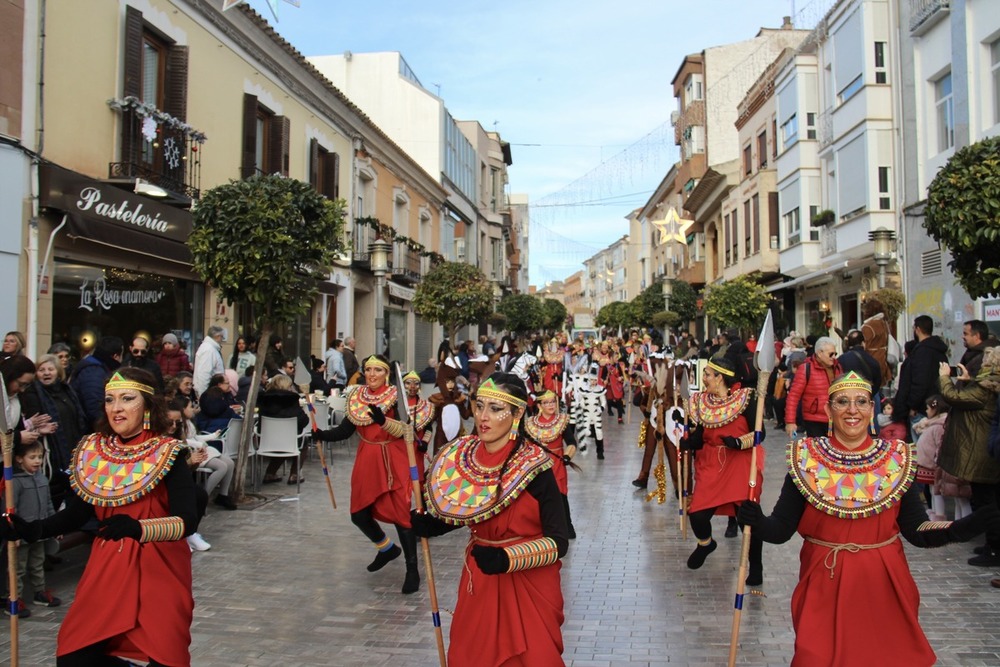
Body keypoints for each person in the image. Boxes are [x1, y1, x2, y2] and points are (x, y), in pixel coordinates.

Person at [738, 371, 1000, 666]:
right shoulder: (806, 460)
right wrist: (757, 520)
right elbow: (780, 529)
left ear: (871, 409)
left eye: (861, 401)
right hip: (824, 582)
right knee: (815, 657)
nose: (853, 410)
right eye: (842, 402)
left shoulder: (896, 459)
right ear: (828, 409)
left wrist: (964, 527)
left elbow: (917, 530)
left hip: (883, 586)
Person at [1, 367, 199, 665]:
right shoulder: (93, 449)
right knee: (74, 655)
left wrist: (138, 528)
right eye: (109, 400)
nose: (116, 408)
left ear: (147, 405)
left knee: (164, 655)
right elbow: (79, 512)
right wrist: (32, 529)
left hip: (159, 569)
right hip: (108, 567)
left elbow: (187, 521)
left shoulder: (168, 453)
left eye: (127, 398)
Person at [411, 373, 569, 666]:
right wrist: (433, 524)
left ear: (517, 413)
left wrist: (507, 558)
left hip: (528, 582)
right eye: (480, 405)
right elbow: (469, 508)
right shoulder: (464, 457)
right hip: (480, 580)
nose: (483, 416)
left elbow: (559, 542)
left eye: (495, 409)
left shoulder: (537, 467)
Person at [312, 354, 420, 594]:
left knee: (401, 515)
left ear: (386, 374)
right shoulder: (357, 396)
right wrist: (322, 435)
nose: (372, 374)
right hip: (367, 459)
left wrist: (383, 421)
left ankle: (412, 569)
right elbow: (345, 430)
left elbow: (407, 431)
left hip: (392, 459)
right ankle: (386, 548)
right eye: (368, 369)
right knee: (358, 514)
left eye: (377, 370)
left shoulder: (395, 396)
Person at [681, 356, 765, 586]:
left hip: (740, 463)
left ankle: (755, 567)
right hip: (712, 463)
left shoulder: (747, 399)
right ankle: (706, 543)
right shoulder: (700, 402)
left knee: (746, 518)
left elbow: (760, 434)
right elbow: (699, 437)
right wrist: (689, 442)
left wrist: (738, 443)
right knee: (697, 514)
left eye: (708, 374)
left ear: (720, 378)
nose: (704, 378)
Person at [935, 348, 1000, 567]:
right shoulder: (988, 386)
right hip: (985, 451)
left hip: (981, 453)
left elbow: (954, 397)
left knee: (986, 503)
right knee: (988, 500)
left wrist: (945, 378)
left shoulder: (986, 389)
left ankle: (994, 548)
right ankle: (992, 545)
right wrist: (968, 381)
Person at [18, 354, 87, 510]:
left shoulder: (67, 390)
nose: (46, 373)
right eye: (41, 369)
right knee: (54, 492)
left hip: (72, 446)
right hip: (49, 452)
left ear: (58, 371)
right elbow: (33, 420)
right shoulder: (32, 393)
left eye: (51, 369)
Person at [7, 439, 62, 617]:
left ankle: (40, 591)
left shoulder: (42, 478)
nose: (37, 461)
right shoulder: (15, 482)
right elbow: (10, 509)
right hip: (22, 535)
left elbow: (48, 503)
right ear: (19, 459)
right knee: (18, 567)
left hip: (39, 532)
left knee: (37, 563)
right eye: (32, 457)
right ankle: (15, 598)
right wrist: (13, 532)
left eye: (40, 457)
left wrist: (54, 524)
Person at [526, 389, 578, 538]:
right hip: (538, 465)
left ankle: (566, 527)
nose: (551, 405)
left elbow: (571, 442)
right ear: (539, 405)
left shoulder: (562, 421)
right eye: (546, 402)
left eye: (553, 401)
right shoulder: (530, 424)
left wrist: (567, 455)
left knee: (561, 496)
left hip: (556, 463)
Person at [171, 395, 237, 513]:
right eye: (190, 407)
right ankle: (205, 495)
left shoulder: (188, 423)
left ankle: (223, 494)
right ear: (183, 409)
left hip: (202, 448)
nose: (193, 409)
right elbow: (185, 441)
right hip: (193, 451)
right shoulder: (178, 425)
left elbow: (195, 437)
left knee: (230, 463)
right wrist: (199, 445)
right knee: (222, 467)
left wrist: (212, 436)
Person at [892, 315, 949, 436]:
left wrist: (913, 406)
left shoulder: (922, 351)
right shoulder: (938, 351)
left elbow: (920, 382)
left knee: (920, 447)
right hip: (935, 404)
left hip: (922, 409)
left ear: (917, 329)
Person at [258, 373, 310, 485]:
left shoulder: (264, 399)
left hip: (266, 440)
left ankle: (270, 473)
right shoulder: (291, 399)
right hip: (289, 440)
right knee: (302, 443)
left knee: (282, 443)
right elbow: (303, 420)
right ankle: (294, 474)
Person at [785, 337, 841, 438]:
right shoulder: (806, 368)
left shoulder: (837, 367)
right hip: (814, 419)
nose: (834, 357)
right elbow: (793, 396)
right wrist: (790, 421)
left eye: (835, 354)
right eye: (831, 354)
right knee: (817, 451)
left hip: (836, 418)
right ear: (820, 353)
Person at [70, 335, 123, 431]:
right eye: (121, 356)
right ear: (115, 356)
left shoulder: (97, 369)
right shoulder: (93, 373)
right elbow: (94, 408)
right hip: (88, 430)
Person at [914, 395, 951, 521]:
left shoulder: (939, 426)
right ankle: (935, 512)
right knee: (932, 490)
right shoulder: (932, 424)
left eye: (928, 408)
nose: (926, 411)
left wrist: (937, 461)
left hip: (934, 464)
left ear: (935, 409)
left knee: (937, 491)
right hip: (928, 463)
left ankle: (939, 515)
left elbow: (940, 445)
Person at [860, 298, 894, 388]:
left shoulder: (868, 326)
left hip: (870, 362)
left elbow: (863, 346)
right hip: (883, 361)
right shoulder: (884, 323)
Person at [193, 326, 226, 396]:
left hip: (211, 392)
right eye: (222, 337)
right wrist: (204, 396)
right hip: (210, 392)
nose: (222, 340)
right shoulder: (209, 350)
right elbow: (204, 374)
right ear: (218, 336)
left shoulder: (209, 348)